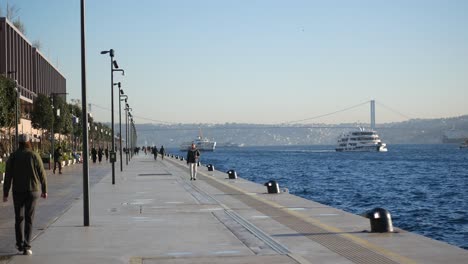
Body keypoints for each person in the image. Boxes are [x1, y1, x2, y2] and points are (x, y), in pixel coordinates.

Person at [3, 134, 47, 256]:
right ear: (29, 143)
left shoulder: (13, 156)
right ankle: (27, 246)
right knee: (29, 218)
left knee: (19, 218)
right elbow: (42, 173)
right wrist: (44, 190)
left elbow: (8, 176)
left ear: (19, 143)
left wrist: (5, 192)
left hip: (18, 191)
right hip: (32, 191)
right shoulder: (34, 155)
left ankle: (19, 244)